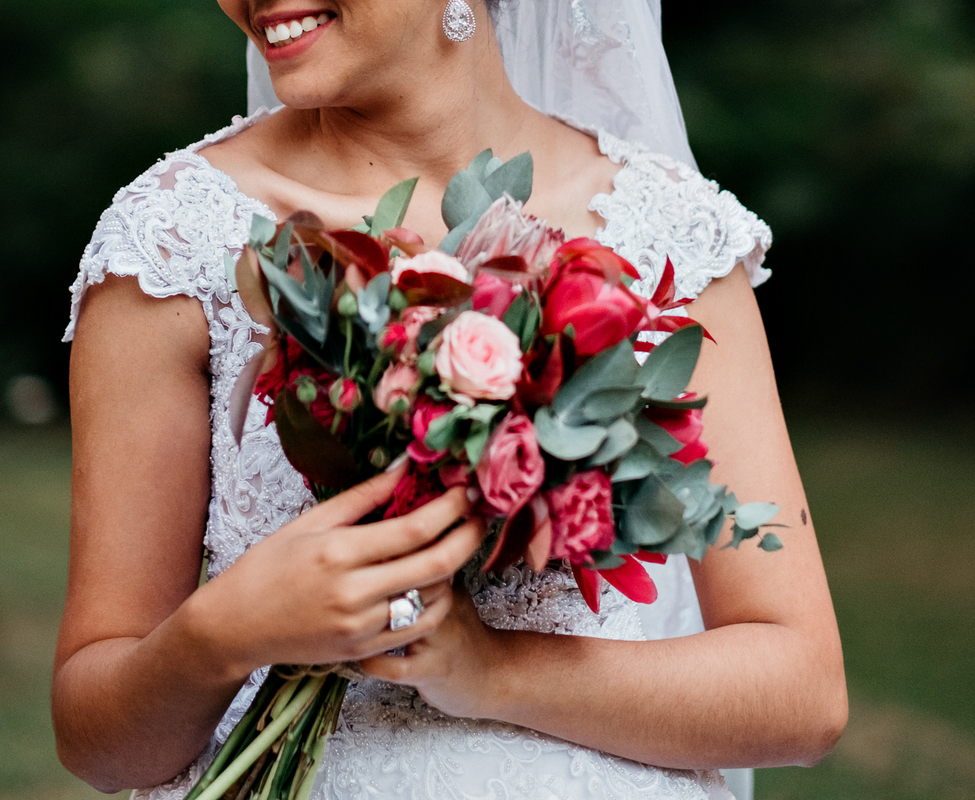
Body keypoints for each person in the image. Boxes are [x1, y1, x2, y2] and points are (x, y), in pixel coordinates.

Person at [52, 0, 848, 798]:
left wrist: (493, 670)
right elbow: (98, 745)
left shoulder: (663, 232)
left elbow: (803, 696)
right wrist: (223, 632)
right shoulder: (176, 242)